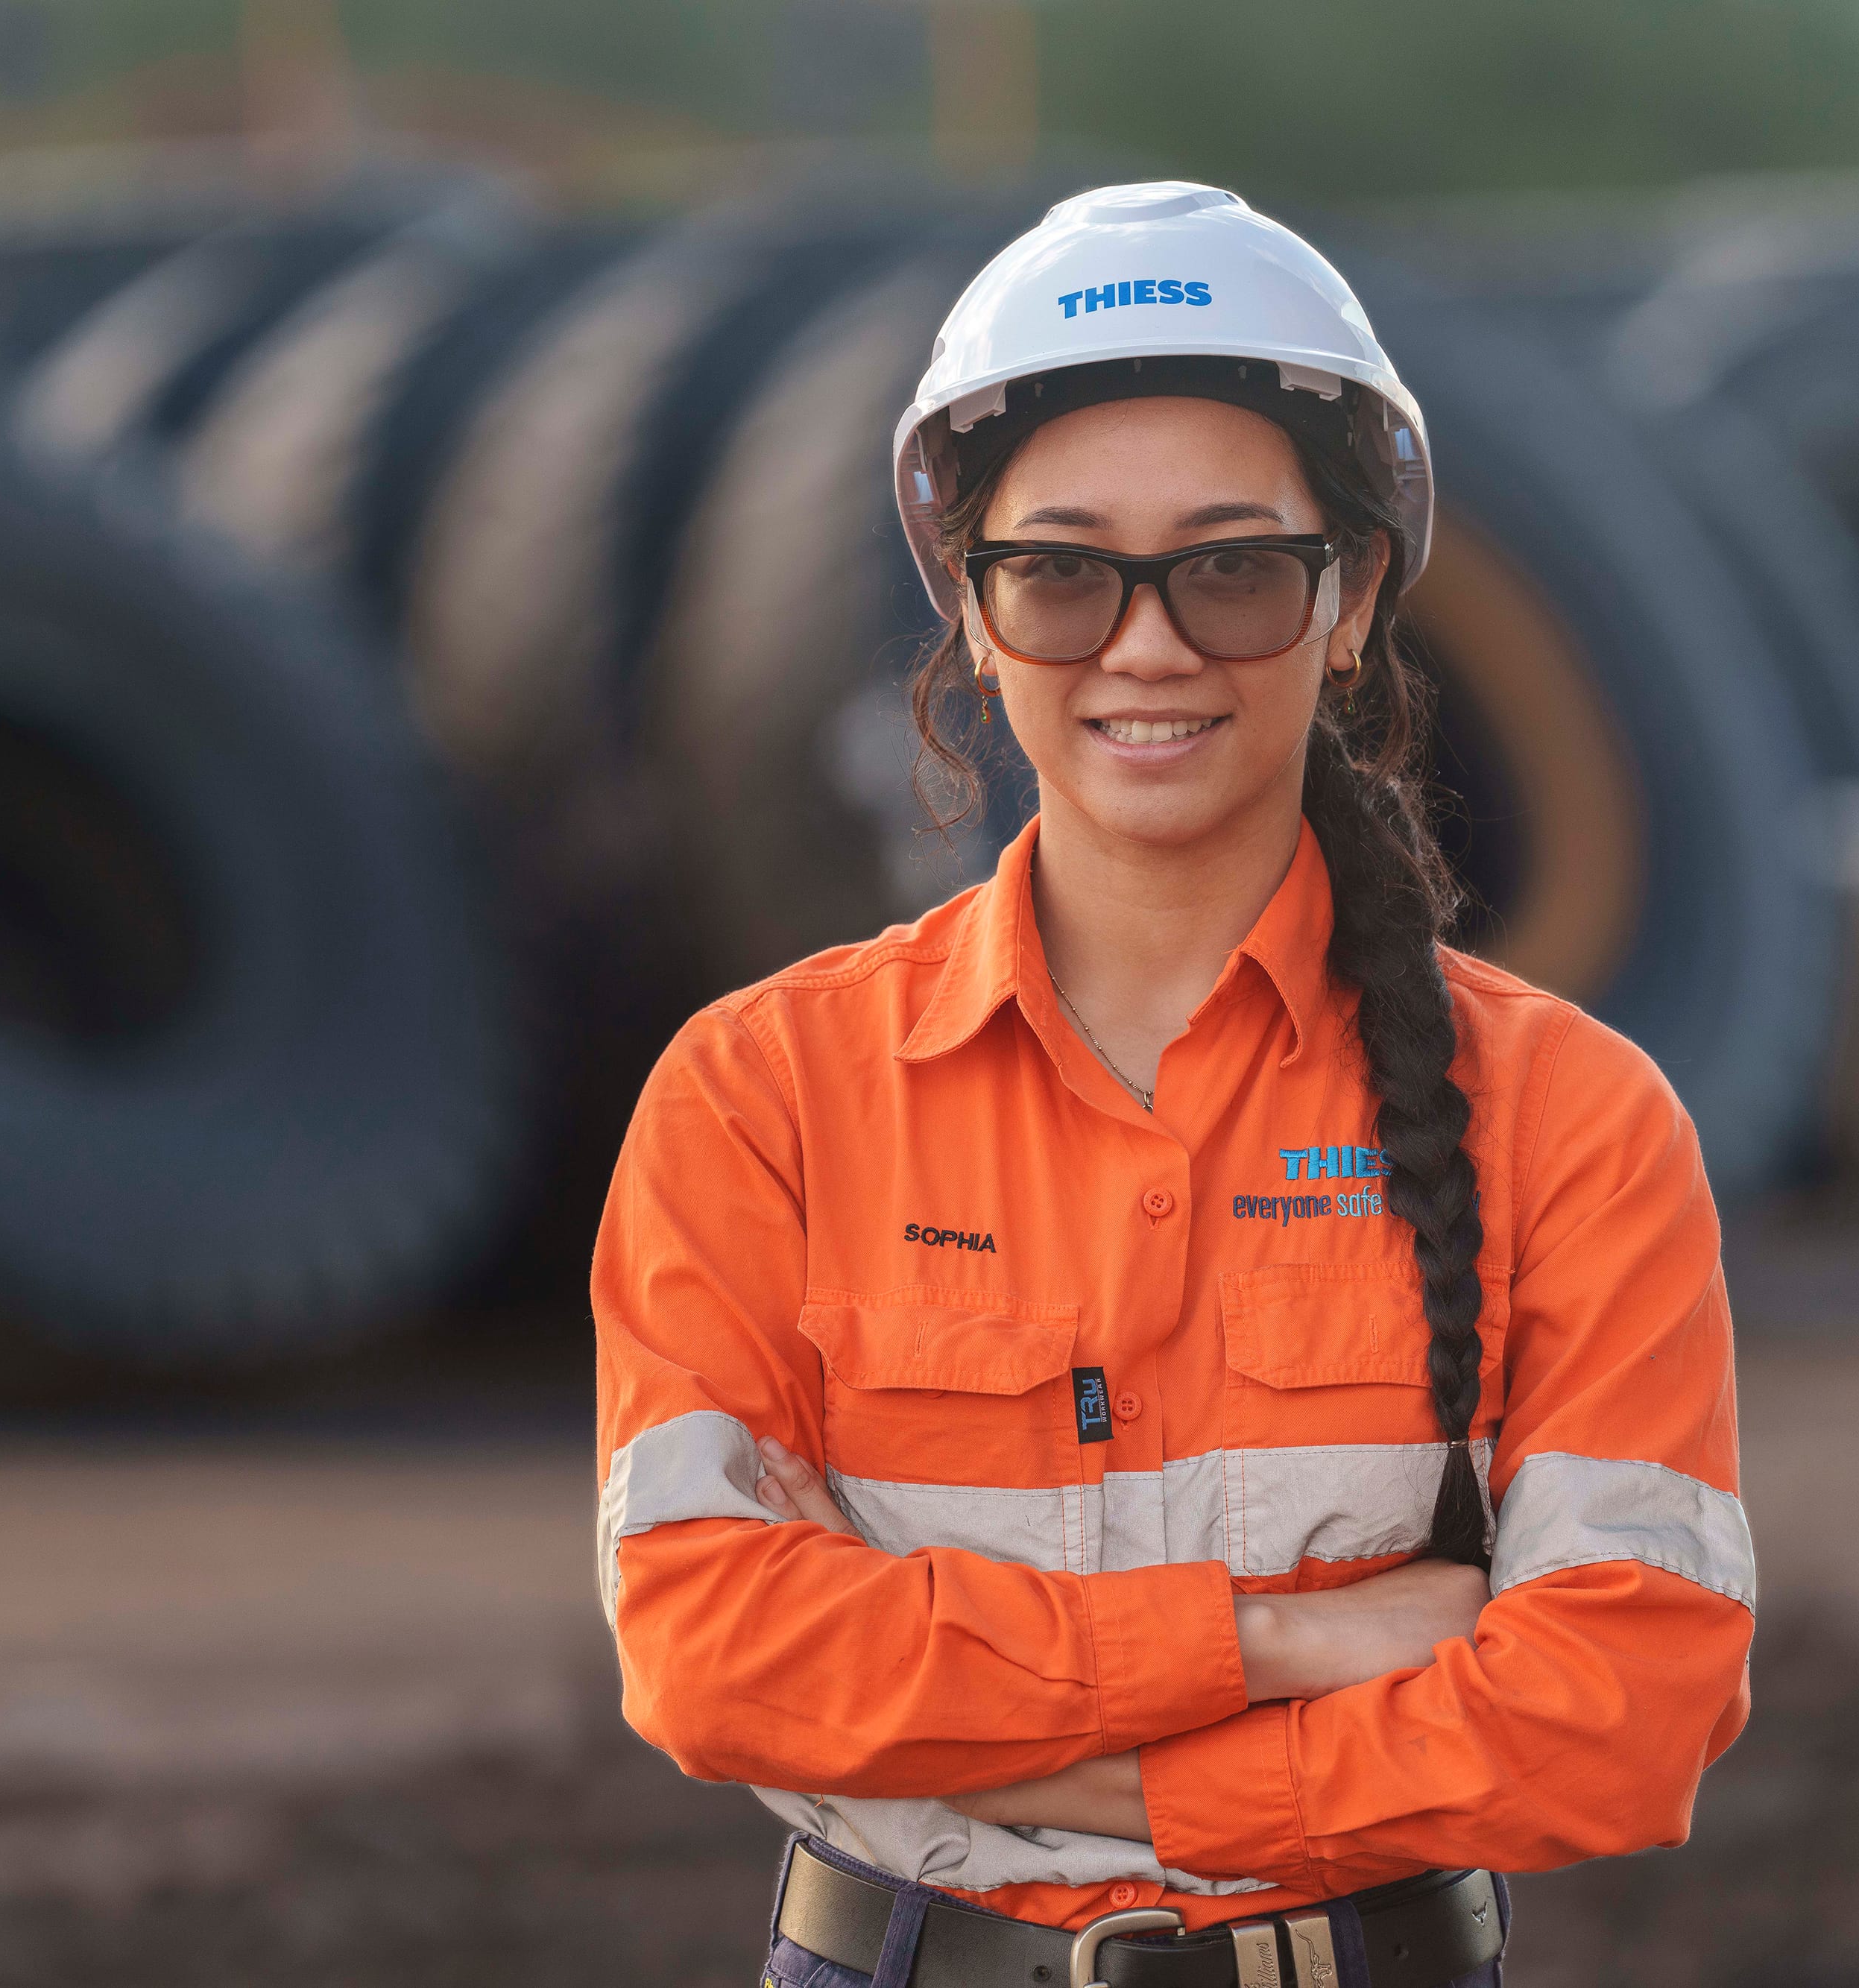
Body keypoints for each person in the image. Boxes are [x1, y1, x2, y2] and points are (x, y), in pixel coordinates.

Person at [593, 183, 1751, 1988]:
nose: (1145, 645)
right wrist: (1279, 1646)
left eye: (1229, 566)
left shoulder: (1571, 1116)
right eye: (1059, 571)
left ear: (1351, 595)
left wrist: (1088, 1770)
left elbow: (1625, 1699)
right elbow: (708, 1649)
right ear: (972, 615)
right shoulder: (760, 1093)